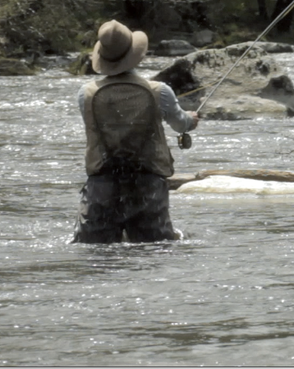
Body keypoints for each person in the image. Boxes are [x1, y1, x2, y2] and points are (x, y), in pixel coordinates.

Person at [72, 20, 199, 243]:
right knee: (155, 247)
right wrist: (191, 120)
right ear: (136, 55)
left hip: (102, 183)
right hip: (148, 183)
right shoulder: (160, 91)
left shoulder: (86, 94)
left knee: (95, 250)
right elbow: (181, 125)